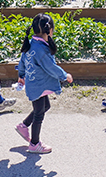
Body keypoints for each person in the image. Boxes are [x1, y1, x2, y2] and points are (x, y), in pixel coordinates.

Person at [15, 14, 72, 154]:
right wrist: (64, 75)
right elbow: (50, 67)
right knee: (39, 113)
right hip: (39, 85)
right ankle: (34, 144)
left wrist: (21, 75)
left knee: (45, 106)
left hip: (35, 84)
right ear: (50, 30)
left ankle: (24, 125)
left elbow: (22, 61)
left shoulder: (32, 44)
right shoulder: (41, 49)